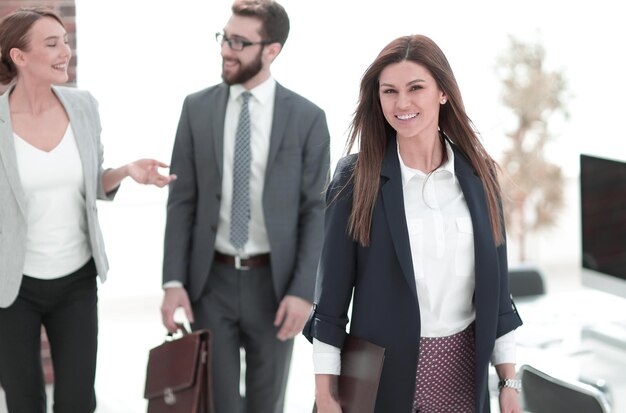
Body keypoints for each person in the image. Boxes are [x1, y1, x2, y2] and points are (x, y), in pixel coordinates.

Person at [303, 34, 524, 413]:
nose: (401, 103)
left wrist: (508, 382)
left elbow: (499, 295)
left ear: (443, 93)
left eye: (415, 88)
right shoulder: (355, 179)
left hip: (464, 378)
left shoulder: (479, 176)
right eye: (389, 91)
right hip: (378, 382)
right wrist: (326, 396)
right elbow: (330, 307)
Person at [0, 7, 176, 412]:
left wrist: (127, 172)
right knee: (24, 401)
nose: (65, 51)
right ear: (19, 57)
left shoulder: (83, 106)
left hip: (76, 279)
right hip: (14, 285)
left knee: (78, 401)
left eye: (65, 40)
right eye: (51, 44)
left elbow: (91, 180)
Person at [159, 0, 330, 412]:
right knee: (217, 404)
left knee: (265, 404)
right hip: (209, 283)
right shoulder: (195, 108)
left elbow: (315, 210)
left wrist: (303, 291)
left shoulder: (308, 118)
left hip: (275, 287)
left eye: (239, 41)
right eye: (224, 37)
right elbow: (182, 200)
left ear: (272, 50)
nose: (225, 49)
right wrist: (173, 282)